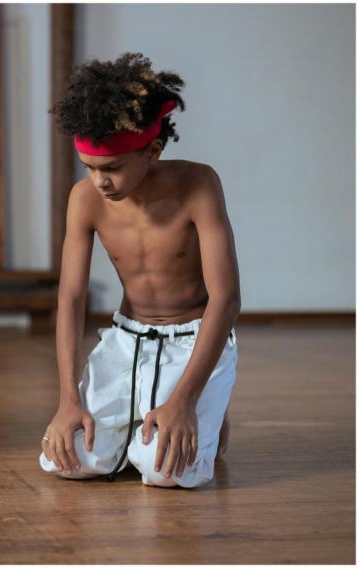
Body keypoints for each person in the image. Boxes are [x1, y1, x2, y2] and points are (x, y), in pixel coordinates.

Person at [39, 53, 239, 488]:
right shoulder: (84, 199)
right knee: (71, 460)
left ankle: (204, 404)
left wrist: (185, 402)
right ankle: (141, 421)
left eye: (111, 168)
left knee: (165, 472)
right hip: (126, 340)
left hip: (193, 341)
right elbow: (70, 299)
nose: (99, 182)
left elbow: (226, 299)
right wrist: (68, 400)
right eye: (89, 168)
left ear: (152, 150)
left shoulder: (199, 184)